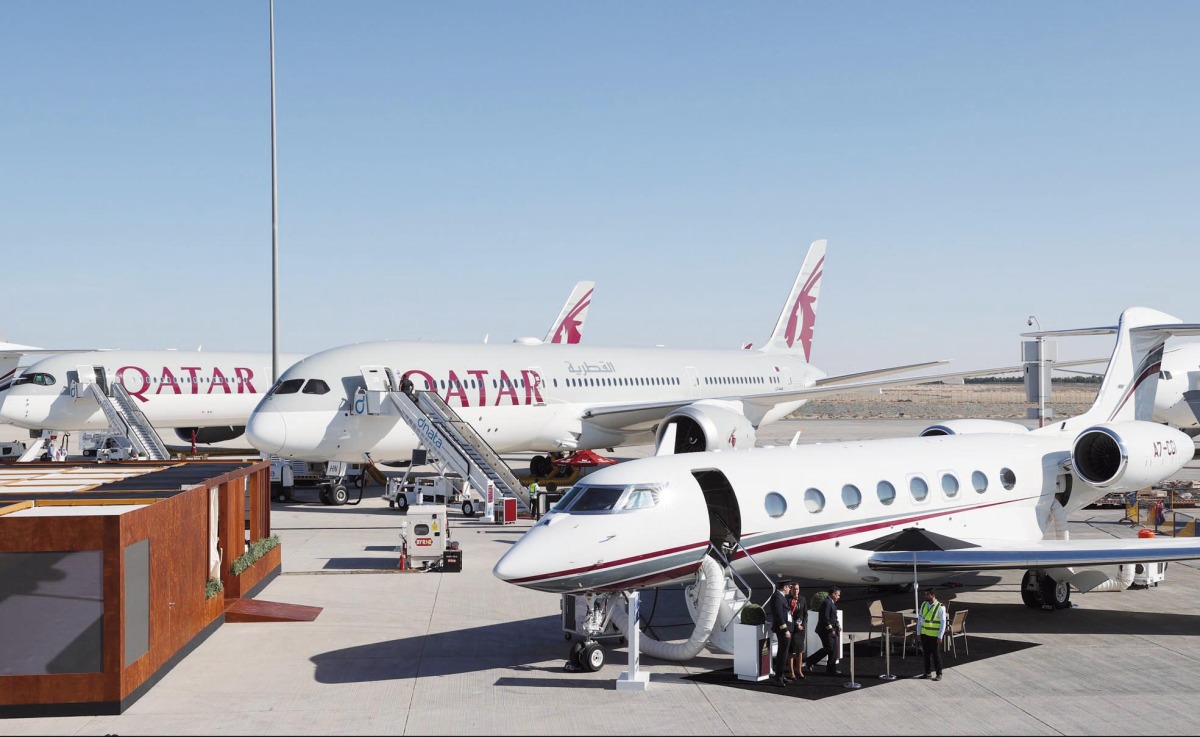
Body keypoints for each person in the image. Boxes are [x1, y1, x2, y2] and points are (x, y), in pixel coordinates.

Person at [804, 586, 842, 675]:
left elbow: (833, 617)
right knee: (829, 648)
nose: (839, 597)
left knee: (833, 650)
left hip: (832, 630)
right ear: (833, 594)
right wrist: (831, 629)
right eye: (838, 595)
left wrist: (837, 625)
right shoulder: (827, 603)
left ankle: (831, 669)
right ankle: (810, 660)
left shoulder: (831, 602)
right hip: (825, 631)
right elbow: (825, 618)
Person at [767, 580, 793, 687]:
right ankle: (778, 678)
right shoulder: (777, 597)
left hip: (787, 628)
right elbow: (778, 615)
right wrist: (785, 629)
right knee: (782, 654)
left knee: (784, 653)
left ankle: (781, 675)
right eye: (789, 587)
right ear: (784, 587)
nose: (790, 589)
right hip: (783, 630)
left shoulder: (781, 596)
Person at [916, 588, 947, 681]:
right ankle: (927, 673)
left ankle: (939, 674)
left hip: (934, 636)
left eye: (927, 595)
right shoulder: (924, 605)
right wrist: (918, 633)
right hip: (925, 634)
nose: (925, 596)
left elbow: (943, 623)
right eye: (925, 594)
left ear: (933, 595)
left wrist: (940, 636)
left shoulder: (940, 607)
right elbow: (920, 620)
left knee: (936, 655)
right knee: (926, 655)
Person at [787, 582, 806, 679]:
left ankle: (799, 670)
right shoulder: (787, 599)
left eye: (797, 589)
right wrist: (796, 625)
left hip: (801, 630)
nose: (796, 591)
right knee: (791, 651)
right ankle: (791, 672)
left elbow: (805, 613)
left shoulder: (802, 599)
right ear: (791, 590)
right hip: (792, 629)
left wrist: (803, 625)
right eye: (794, 589)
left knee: (800, 650)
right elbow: (788, 615)